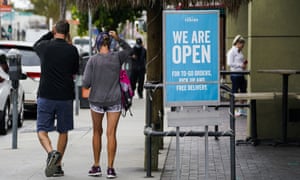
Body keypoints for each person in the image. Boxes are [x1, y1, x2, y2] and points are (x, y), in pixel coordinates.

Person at [82, 31, 132, 178]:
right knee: (111, 134)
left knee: (97, 132)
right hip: (114, 101)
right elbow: (129, 50)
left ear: (97, 45)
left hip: (96, 101)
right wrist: (118, 39)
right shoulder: (117, 57)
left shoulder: (92, 60)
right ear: (110, 44)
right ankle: (110, 168)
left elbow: (85, 83)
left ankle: (96, 166)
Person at [33, 20, 79, 177]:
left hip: (46, 94)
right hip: (65, 96)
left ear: (54, 30)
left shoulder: (45, 47)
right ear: (67, 33)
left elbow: (36, 44)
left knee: (41, 130)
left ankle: (51, 152)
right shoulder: (72, 50)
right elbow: (75, 71)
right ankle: (57, 165)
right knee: (63, 130)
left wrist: (50, 33)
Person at [227, 34, 248, 116]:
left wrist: (243, 64)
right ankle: (232, 109)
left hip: (241, 74)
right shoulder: (231, 52)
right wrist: (240, 65)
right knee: (235, 92)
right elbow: (229, 63)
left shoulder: (240, 52)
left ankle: (241, 109)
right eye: (242, 43)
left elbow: (239, 62)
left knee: (243, 91)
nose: (243, 45)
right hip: (235, 75)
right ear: (238, 43)